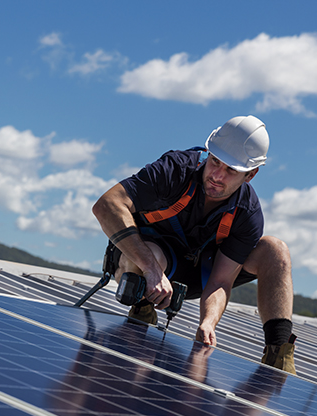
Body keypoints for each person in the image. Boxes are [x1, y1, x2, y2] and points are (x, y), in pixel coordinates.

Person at [91, 115, 296, 374]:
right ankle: (142, 308)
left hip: (200, 274)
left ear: (250, 175)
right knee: (151, 255)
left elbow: (221, 282)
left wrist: (208, 323)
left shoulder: (247, 213)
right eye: (215, 162)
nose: (217, 176)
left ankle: (279, 359)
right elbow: (107, 205)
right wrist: (152, 269)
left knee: (275, 250)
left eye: (231, 170)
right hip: (150, 263)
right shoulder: (175, 169)